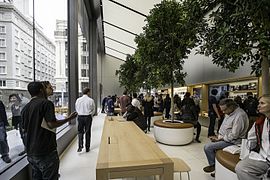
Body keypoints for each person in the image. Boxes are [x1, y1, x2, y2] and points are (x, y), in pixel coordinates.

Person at [21, 81, 77, 180]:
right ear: (41, 90)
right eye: (49, 87)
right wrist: (69, 119)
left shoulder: (26, 108)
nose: (52, 89)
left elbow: (24, 129)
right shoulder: (46, 103)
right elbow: (51, 124)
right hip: (45, 150)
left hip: (31, 152)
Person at [203, 98, 249, 176]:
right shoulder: (229, 112)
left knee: (208, 147)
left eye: (224, 110)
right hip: (224, 138)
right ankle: (216, 167)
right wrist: (218, 136)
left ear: (231, 107)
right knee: (212, 146)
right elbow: (225, 126)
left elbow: (234, 135)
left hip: (233, 141)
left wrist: (221, 138)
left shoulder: (240, 116)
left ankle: (214, 166)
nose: (223, 112)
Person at [235, 94, 270, 180]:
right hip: (263, 156)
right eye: (259, 103)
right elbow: (251, 137)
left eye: (262, 103)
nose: (258, 106)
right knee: (240, 168)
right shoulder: (260, 122)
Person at [75, 87, 95, 152]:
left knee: (80, 131)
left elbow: (76, 108)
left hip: (80, 117)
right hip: (87, 117)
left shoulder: (78, 100)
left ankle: (80, 146)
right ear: (88, 92)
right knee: (87, 132)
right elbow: (93, 110)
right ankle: (87, 147)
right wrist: (90, 114)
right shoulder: (91, 100)